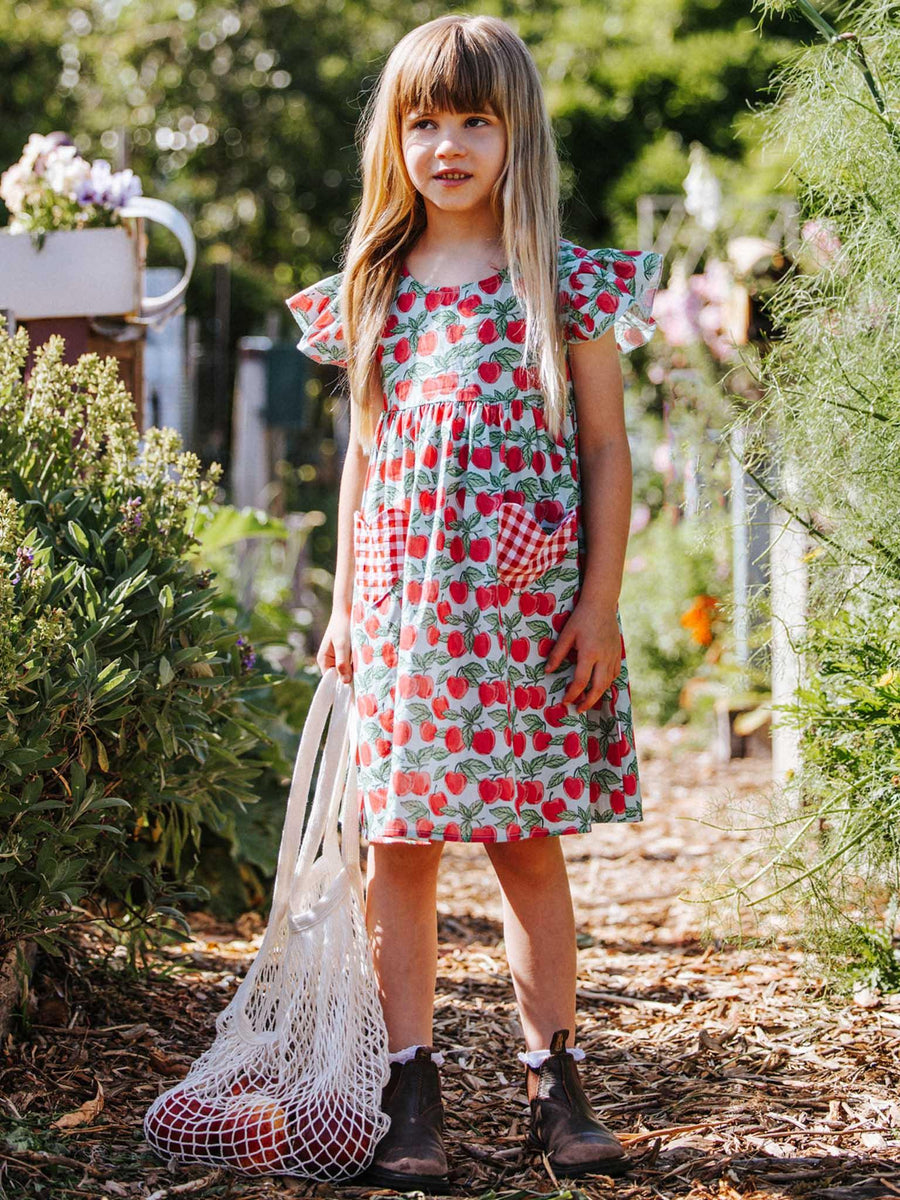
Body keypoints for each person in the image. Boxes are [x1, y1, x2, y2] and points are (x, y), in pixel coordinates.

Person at [286, 13, 662, 1191]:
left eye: (474, 121)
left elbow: (606, 449)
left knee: (523, 844)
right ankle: (412, 1088)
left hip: (526, 614)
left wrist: (598, 606)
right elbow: (364, 458)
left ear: (517, 135)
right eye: (423, 120)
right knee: (398, 849)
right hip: (406, 613)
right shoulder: (375, 287)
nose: (446, 144)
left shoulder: (566, 283)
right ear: (394, 138)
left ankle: (556, 1080)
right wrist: (347, 604)